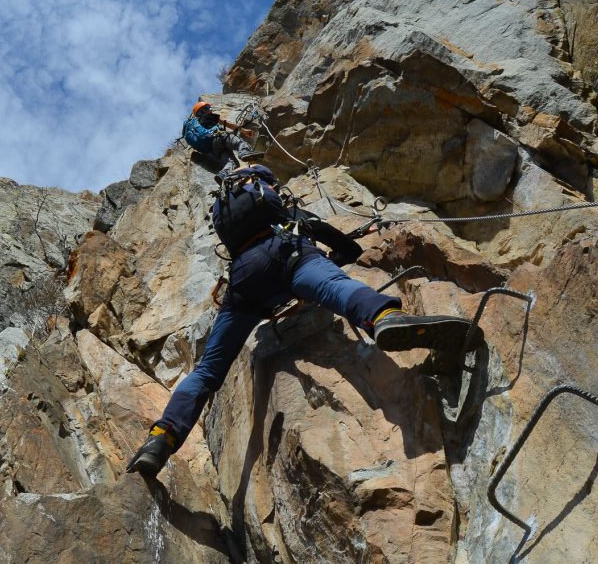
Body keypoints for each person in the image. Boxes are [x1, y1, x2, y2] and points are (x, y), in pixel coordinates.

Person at [126, 164, 481, 476]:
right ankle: (385, 317)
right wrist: (338, 256)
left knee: (206, 371)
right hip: (288, 254)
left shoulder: (231, 216)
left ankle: (161, 440)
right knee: (337, 287)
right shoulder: (286, 212)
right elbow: (343, 246)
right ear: (268, 190)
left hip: (244, 281)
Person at [181, 100, 264, 179]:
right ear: (203, 110)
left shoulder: (193, 125)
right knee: (239, 142)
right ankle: (245, 152)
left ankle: (224, 174)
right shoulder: (210, 117)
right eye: (207, 108)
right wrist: (243, 130)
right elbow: (227, 124)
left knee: (232, 163)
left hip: (212, 149)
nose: (209, 110)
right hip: (219, 138)